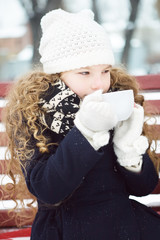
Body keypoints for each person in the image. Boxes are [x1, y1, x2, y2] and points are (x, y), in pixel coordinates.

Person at [2, 8, 160, 240]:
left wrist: (129, 151)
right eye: (84, 72)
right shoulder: (35, 112)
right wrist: (86, 133)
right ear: (57, 74)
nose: (98, 84)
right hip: (65, 229)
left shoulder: (115, 102)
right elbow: (48, 190)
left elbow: (144, 187)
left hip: (123, 224)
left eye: (105, 71)